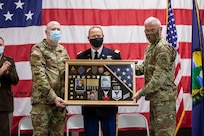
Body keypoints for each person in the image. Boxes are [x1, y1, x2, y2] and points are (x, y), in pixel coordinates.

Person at [132, 16, 177, 136]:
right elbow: (145, 68)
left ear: (160, 29)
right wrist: (127, 68)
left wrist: (140, 93)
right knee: (154, 133)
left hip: (164, 100)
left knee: (163, 133)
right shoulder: (152, 46)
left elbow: (158, 79)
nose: (149, 34)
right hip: (156, 99)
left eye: (152, 30)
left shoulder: (162, 48)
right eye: (147, 31)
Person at [77, 26, 121, 136]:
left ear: (103, 37)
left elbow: (118, 78)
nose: (96, 38)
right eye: (93, 36)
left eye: (98, 36)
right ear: (88, 38)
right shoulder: (81, 56)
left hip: (108, 104)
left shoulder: (114, 55)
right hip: (89, 106)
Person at [30, 21, 70, 136]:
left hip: (60, 102)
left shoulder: (62, 50)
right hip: (43, 102)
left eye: (58, 29)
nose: (56, 32)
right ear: (46, 32)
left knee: (58, 134)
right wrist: (53, 97)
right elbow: (39, 77)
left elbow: (68, 73)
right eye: (53, 29)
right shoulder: (38, 49)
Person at [0, 37, 19, 136]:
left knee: (5, 132)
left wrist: (6, 72)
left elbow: (15, 80)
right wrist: (1, 71)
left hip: (5, 103)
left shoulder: (8, 61)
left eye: (0, 45)